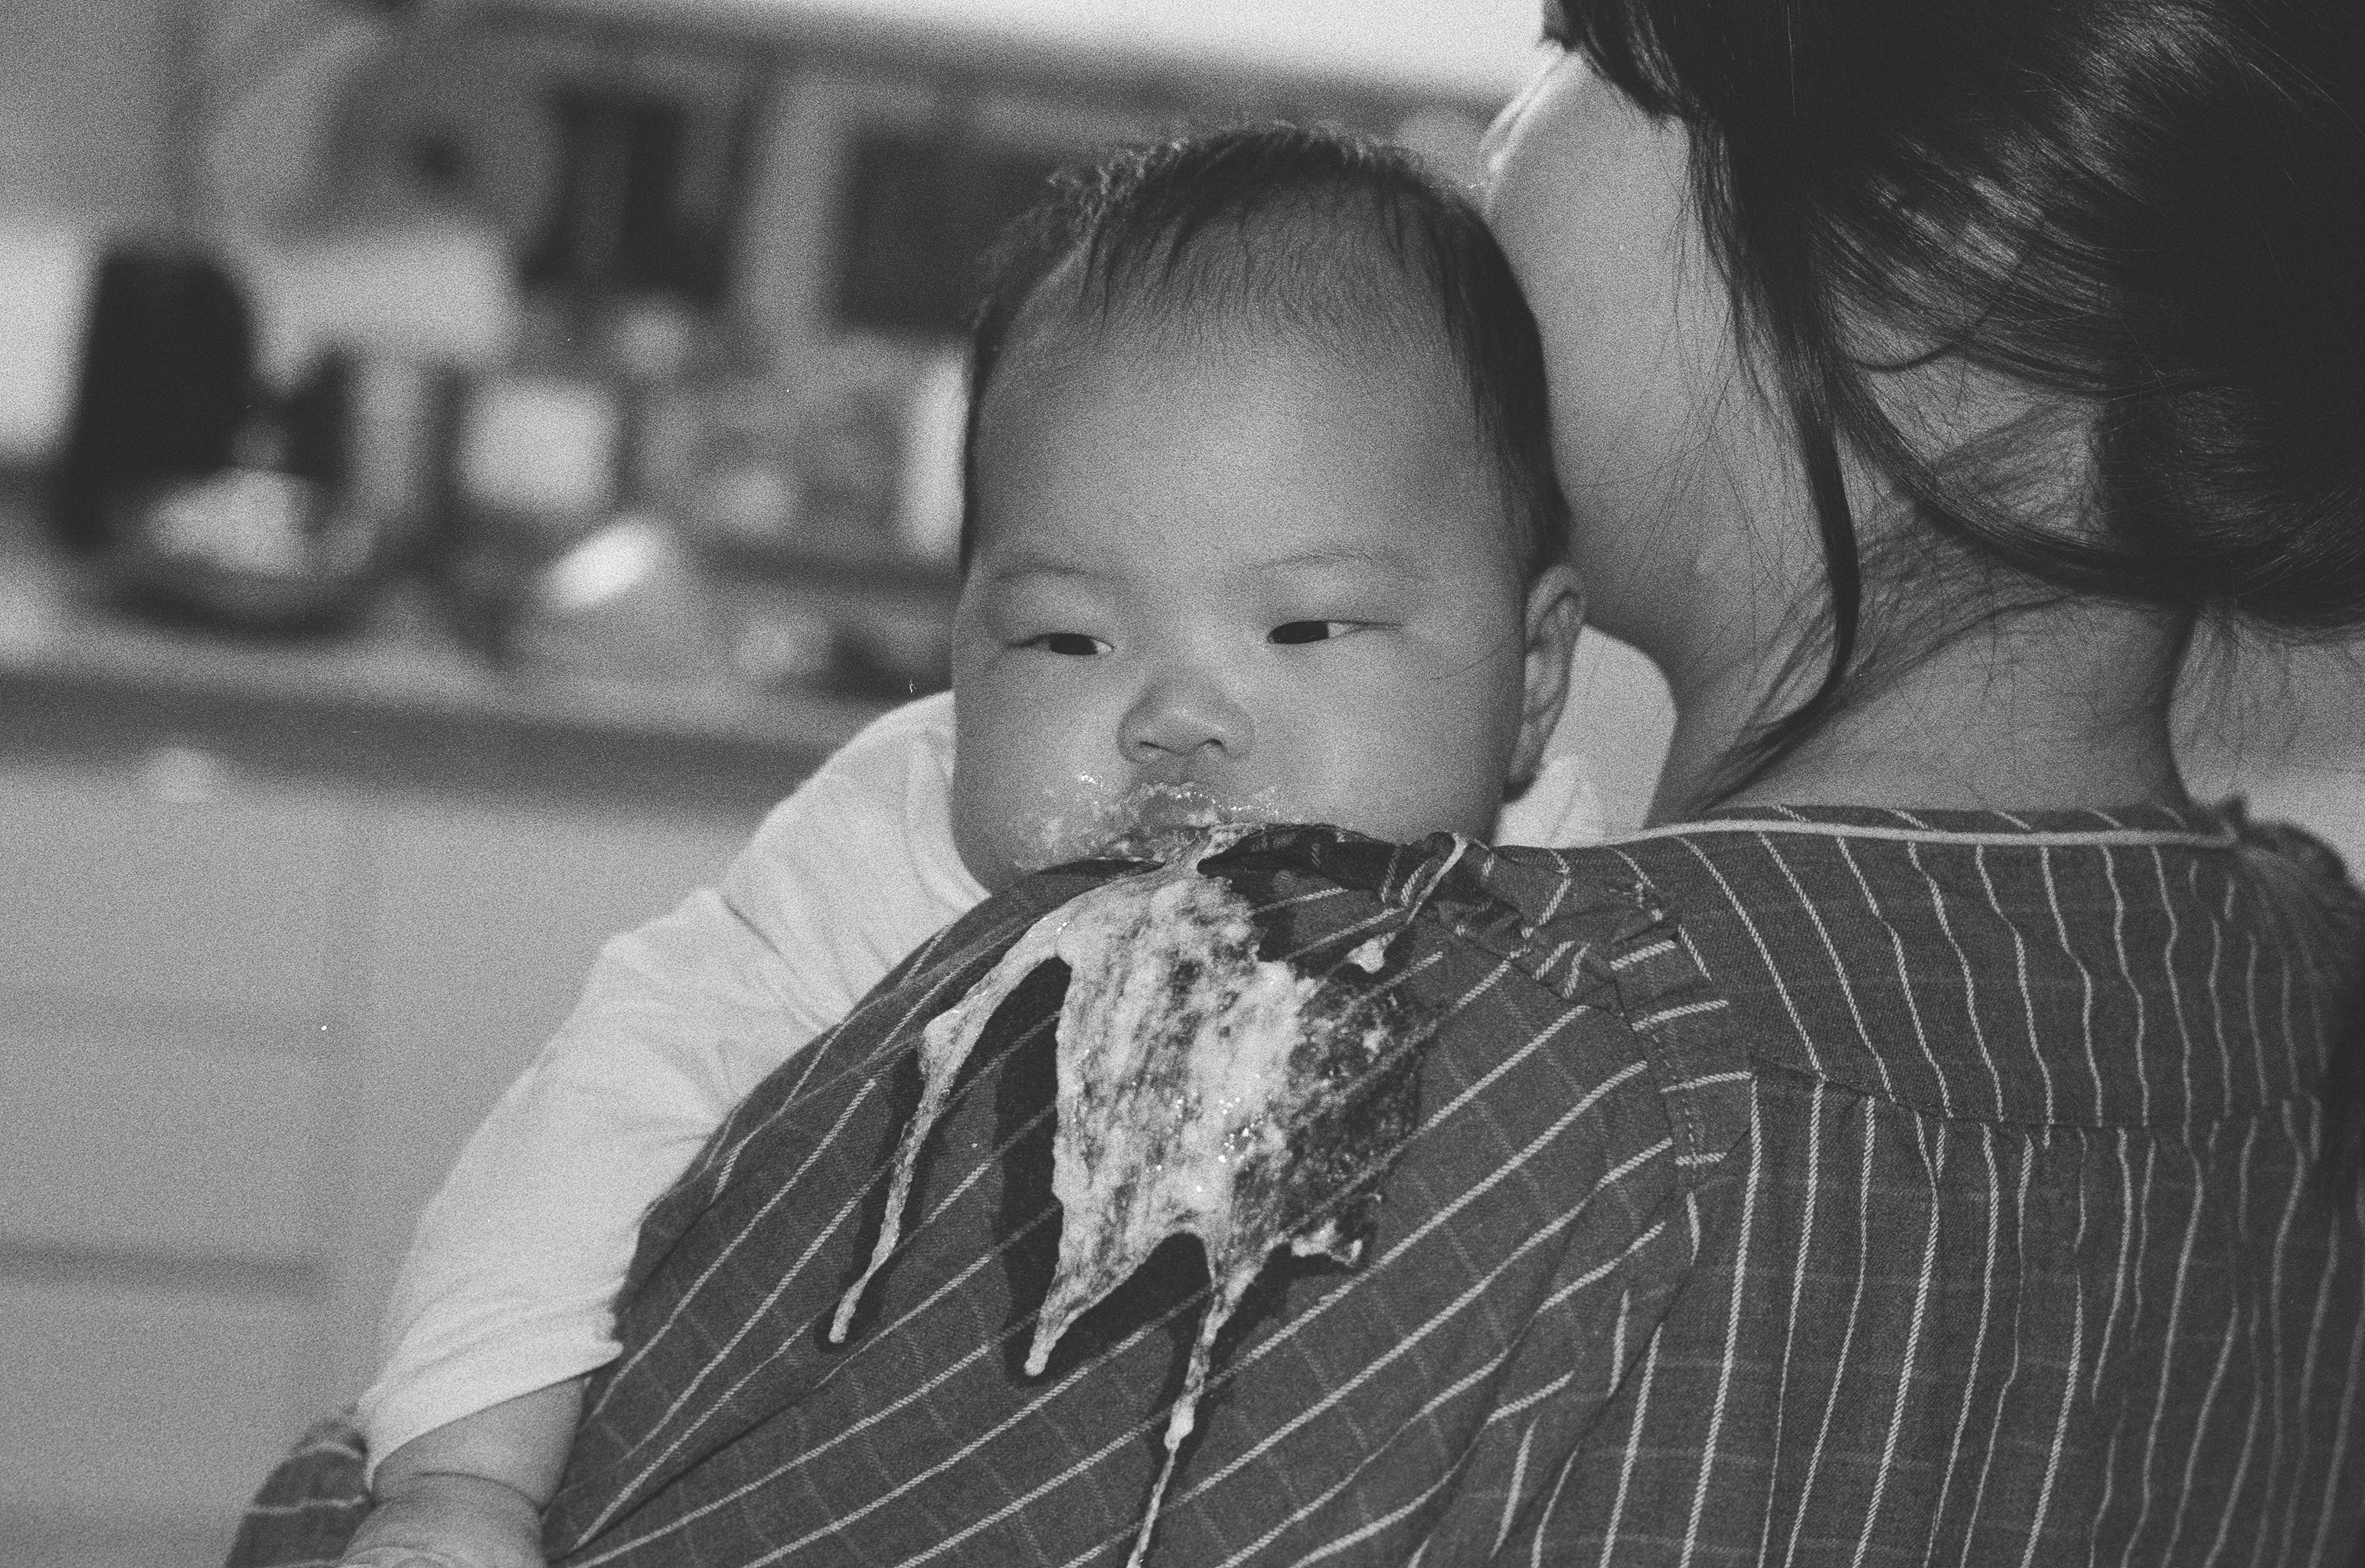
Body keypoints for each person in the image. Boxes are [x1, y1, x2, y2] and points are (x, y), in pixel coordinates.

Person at [230, 0, 2365, 1560]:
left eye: (1576, 51)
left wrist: (383, 1486)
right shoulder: (2297, 990)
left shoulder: (1356, 1031)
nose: (1500, 138)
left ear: (1913, 256)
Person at [318, 124, 1595, 1568]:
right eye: (1064, 638)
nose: (1173, 716)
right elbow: (600, 1120)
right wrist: (464, 1485)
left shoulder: (1579, 951)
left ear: (1531, 677)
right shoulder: (889, 857)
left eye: (1304, 627)